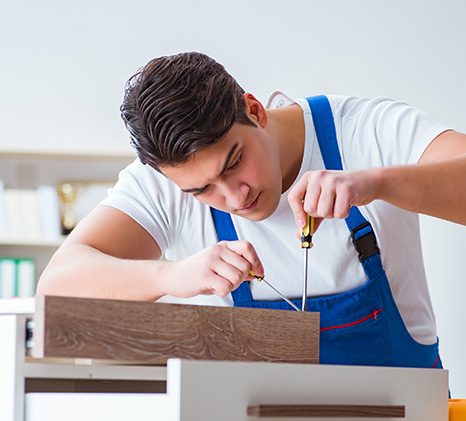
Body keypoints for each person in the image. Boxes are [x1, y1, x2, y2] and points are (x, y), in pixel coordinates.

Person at [37, 52, 466, 368]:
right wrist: (170, 275)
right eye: (203, 190)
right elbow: (55, 289)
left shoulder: (367, 129)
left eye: (234, 162)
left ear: (255, 111)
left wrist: (378, 182)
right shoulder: (163, 180)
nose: (234, 196)